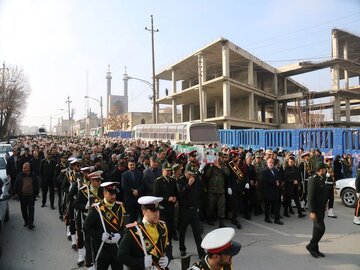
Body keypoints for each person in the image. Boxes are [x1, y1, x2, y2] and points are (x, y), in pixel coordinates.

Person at [117, 196, 169, 270]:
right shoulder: (133, 231)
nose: (157, 214)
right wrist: (141, 262)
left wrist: (168, 259)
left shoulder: (163, 227)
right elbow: (121, 256)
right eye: (153, 211)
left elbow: (167, 246)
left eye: (157, 211)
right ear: (144, 212)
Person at [83, 182, 125, 270]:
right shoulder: (97, 208)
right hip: (102, 248)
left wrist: (120, 235)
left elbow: (124, 226)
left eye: (114, 194)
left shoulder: (120, 207)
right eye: (110, 194)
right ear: (104, 193)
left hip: (117, 247)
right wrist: (100, 235)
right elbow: (86, 226)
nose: (113, 196)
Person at [176, 164, 205, 258]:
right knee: (182, 231)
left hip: (194, 210)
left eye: (193, 174)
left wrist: (198, 206)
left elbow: (197, 194)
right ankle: (182, 249)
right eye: (190, 174)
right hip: (184, 210)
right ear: (185, 172)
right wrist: (189, 184)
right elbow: (181, 195)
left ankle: (201, 252)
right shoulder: (180, 181)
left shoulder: (195, 179)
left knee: (197, 232)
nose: (192, 176)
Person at [153, 162, 177, 260]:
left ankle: (170, 254)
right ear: (162, 171)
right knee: (163, 232)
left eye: (170, 171)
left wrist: (175, 198)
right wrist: (167, 199)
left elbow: (175, 192)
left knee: (170, 231)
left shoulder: (172, 180)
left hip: (171, 209)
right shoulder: (157, 181)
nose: (169, 172)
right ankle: (161, 252)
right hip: (163, 210)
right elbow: (156, 196)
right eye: (167, 171)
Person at [306, 162, 328, 258]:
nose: (325, 170)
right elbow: (310, 197)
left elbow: (322, 194)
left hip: (321, 208)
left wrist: (325, 204)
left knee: (316, 230)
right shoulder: (313, 180)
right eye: (324, 169)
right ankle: (311, 246)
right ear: (320, 169)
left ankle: (315, 249)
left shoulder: (321, 178)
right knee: (321, 229)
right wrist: (311, 211)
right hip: (315, 210)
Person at [14, 162, 39, 230]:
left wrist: (36, 193)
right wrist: (16, 193)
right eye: (23, 168)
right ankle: (26, 221)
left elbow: (36, 184)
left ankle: (30, 223)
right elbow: (16, 184)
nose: (23, 169)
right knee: (23, 209)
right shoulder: (20, 175)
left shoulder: (33, 175)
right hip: (23, 196)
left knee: (31, 210)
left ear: (29, 168)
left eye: (25, 168)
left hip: (31, 196)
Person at [121, 158, 145, 223]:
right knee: (132, 219)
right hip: (129, 200)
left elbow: (143, 185)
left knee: (141, 217)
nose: (132, 166)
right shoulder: (124, 175)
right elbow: (124, 186)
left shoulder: (140, 173)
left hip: (139, 198)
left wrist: (137, 191)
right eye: (130, 165)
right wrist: (132, 191)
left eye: (133, 165)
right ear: (128, 166)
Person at [263, 158, 283, 225]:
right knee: (267, 207)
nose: (271, 163)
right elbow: (266, 180)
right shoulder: (265, 171)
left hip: (275, 191)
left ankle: (277, 219)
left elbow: (277, 178)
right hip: (268, 192)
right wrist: (275, 182)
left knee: (276, 206)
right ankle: (267, 218)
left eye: (272, 162)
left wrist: (278, 181)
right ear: (267, 163)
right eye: (270, 162)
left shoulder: (275, 170)